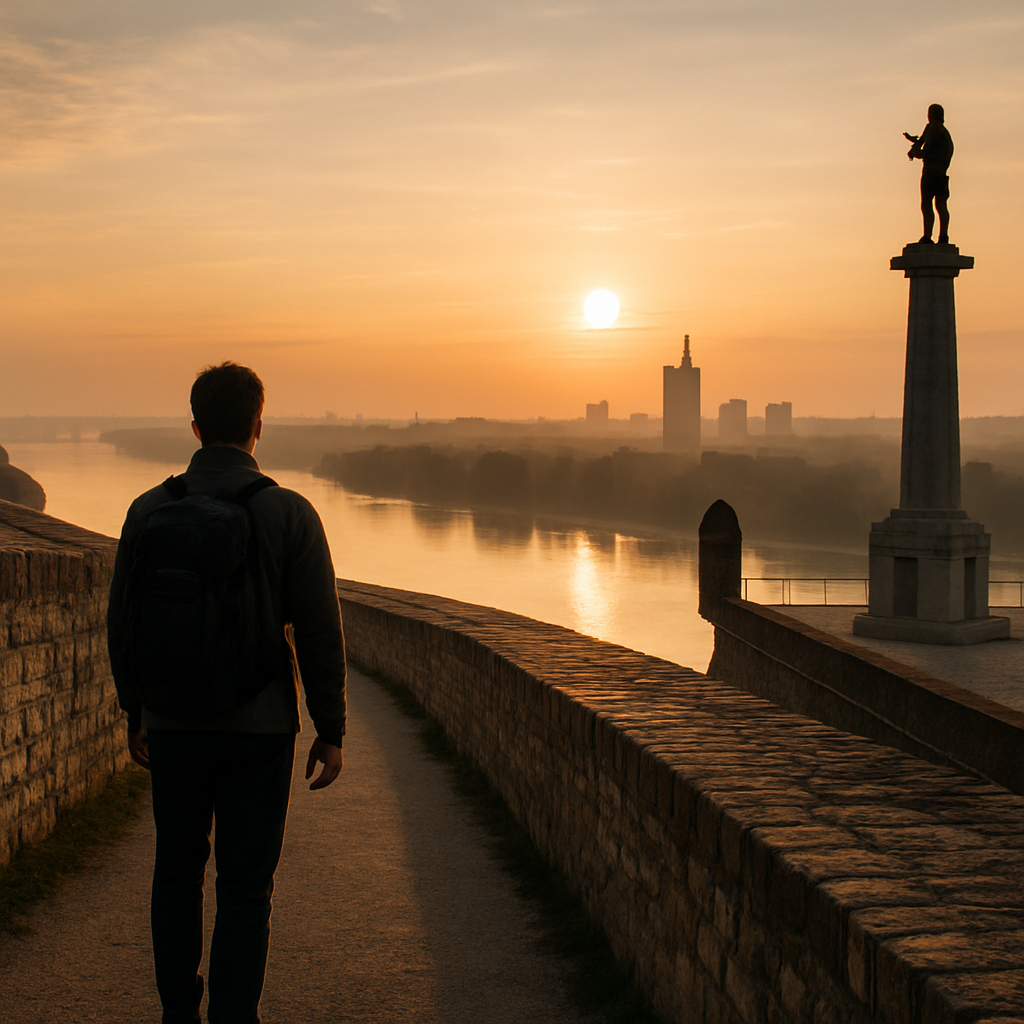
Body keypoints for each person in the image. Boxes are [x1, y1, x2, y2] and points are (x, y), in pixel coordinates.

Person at [107, 362, 347, 1024]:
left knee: (176, 876)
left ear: (194, 425)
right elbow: (322, 630)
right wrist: (332, 728)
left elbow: (121, 624)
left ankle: (179, 1013)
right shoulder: (289, 513)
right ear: (257, 427)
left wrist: (136, 712)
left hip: (173, 724)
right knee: (246, 889)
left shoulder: (149, 510)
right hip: (261, 729)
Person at [904, 103, 954, 244]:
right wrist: (915, 142)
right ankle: (943, 236)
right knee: (940, 205)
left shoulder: (935, 129)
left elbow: (926, 151)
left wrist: (915, 153)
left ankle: (928, 236)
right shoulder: (937, 129)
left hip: (932, 173)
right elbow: (922, 141)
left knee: (928, 205)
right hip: (940, 173)